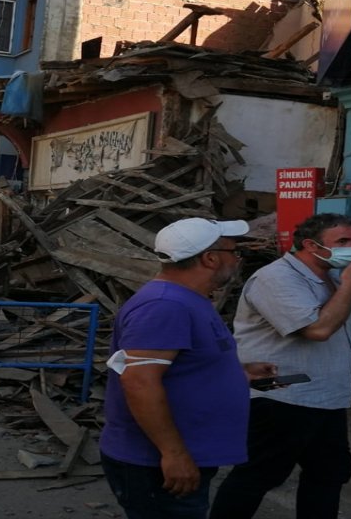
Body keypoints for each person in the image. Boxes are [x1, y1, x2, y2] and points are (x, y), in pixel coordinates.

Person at [101, 218, 276, 519]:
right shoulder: (165, 306)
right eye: (233, 251)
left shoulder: (188, 301)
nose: (237, 259)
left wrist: (239, 374)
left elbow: (181, 368)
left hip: (181, 454)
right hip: (155, 462)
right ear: (210, 258)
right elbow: (140, 382)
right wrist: (174, 453)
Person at [210, 213, 351, 519]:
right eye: (342, 241)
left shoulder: (333, 276)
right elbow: (317, 331)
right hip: (282, 394)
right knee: (258, 475)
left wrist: (346, 285)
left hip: (326, 396)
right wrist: (350, 287)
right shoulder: (276, 279)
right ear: (311, 245)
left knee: (329, 474)